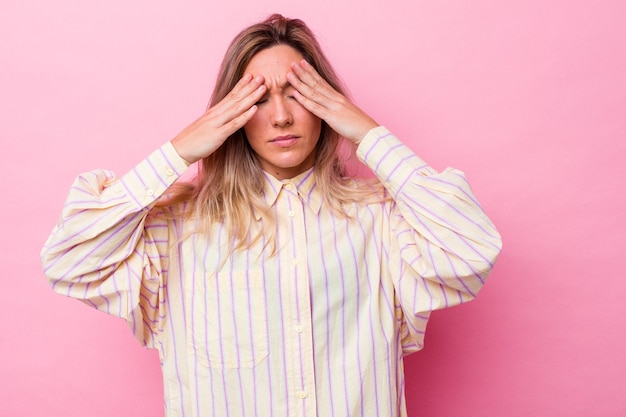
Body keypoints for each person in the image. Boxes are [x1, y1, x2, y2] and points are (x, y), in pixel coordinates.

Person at [41, 13, 502, 417]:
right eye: (258, 98)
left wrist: (367, 132)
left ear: (327, 104)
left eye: (298, 93)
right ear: (231, 112)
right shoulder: (178, 229)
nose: (281, 116)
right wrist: (178, 152)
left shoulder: (379, 218)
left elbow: (471, 249)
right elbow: (70, 263)